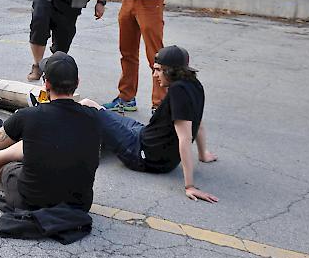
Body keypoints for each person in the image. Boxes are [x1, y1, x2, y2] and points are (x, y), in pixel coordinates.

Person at [0, 51, 101, 212]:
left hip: (32, 201)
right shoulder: (95, 117)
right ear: (78, 82)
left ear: (46, 84)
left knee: (5, 168)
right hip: (80, 204)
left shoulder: (29, 116)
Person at [91, 45, 218, 203]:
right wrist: (203, 154)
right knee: (100, 110)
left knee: (88, 106)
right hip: (146, 138)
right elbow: (198, 122)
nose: (154, 75)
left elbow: (184, 138)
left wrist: (189, 186)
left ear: (171, 71)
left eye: (158, 70)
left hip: (142, 155)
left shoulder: (178, 92)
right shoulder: (194, 84)